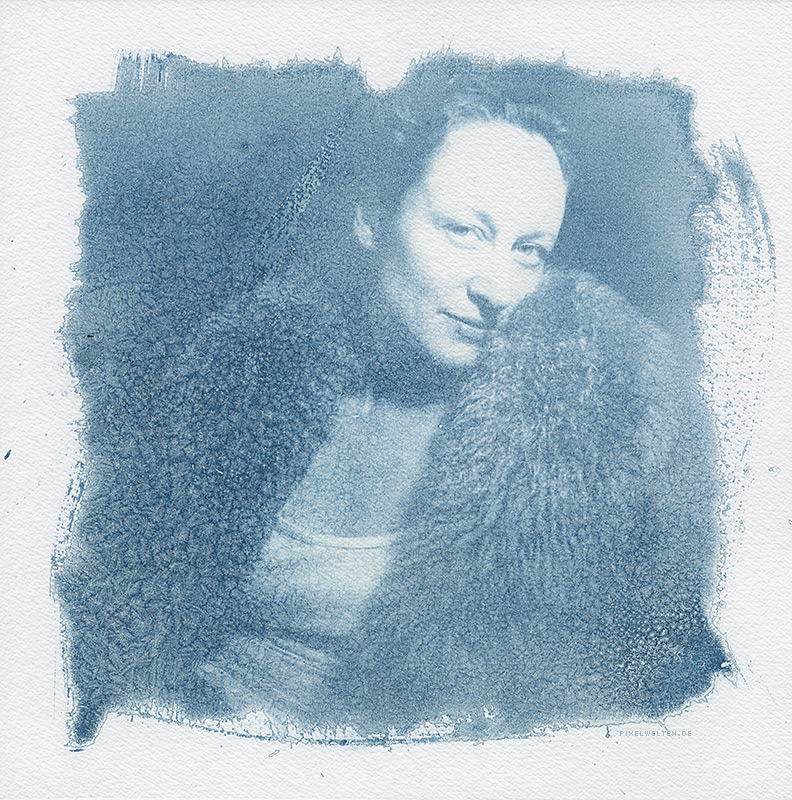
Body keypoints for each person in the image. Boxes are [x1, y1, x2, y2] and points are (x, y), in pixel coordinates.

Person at [58, 64, 728, 743]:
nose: (496, 288)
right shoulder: (234, 372)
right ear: (373, 219)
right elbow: (107, 612)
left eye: (529, 251)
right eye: (463, 230)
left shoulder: (590, 440)